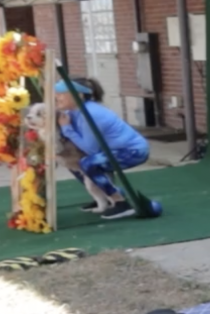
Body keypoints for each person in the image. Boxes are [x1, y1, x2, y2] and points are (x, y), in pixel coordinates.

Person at [55, 76, 149, 220]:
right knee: (71, 161)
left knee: (88, 162)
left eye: (62, 93)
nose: (57, 97)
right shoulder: (72, 111)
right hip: (110, 151)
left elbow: (90, 149)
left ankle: (121, 203)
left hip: (132, 151)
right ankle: (102, 195)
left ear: (79, 95)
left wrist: (67, 129)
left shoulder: (91, 114)